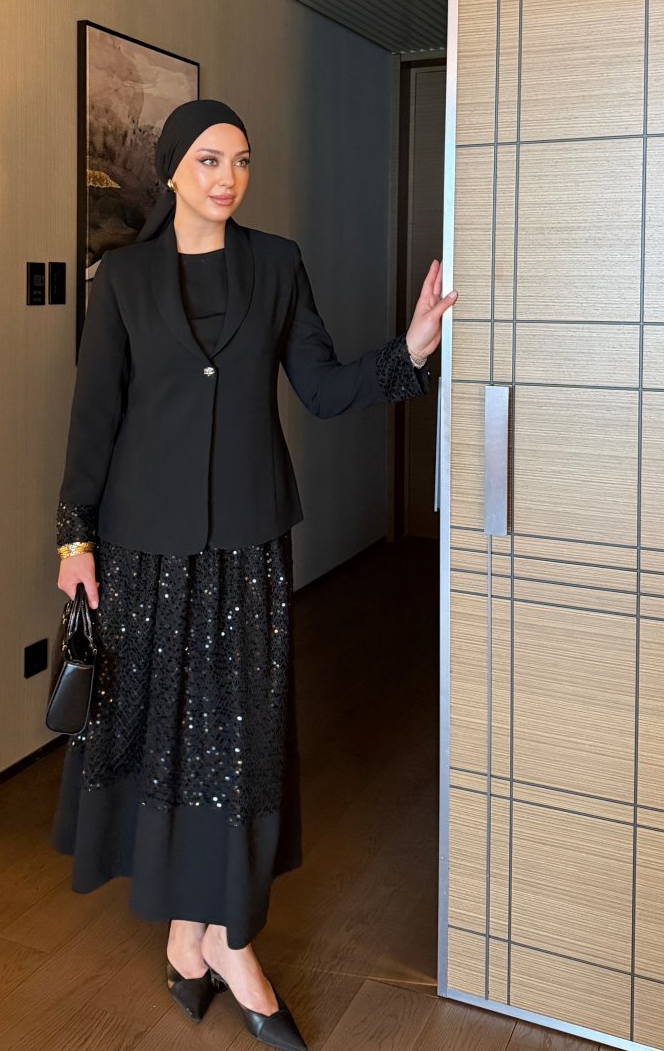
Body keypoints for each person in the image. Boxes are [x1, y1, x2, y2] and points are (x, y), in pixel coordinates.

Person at [52, 99, 456, 1049]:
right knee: (167, 739)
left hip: (247, 546)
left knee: (237, 742)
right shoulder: (124, 279)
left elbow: (320, 385)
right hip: (142, 550)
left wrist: (409, 353)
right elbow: (93, 416)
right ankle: (196, 938)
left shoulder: (276, 265)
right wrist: (75, 541)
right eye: (208, 159)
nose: (227, 177)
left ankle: (223, 940)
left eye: (240, 160)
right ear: (172, 169)